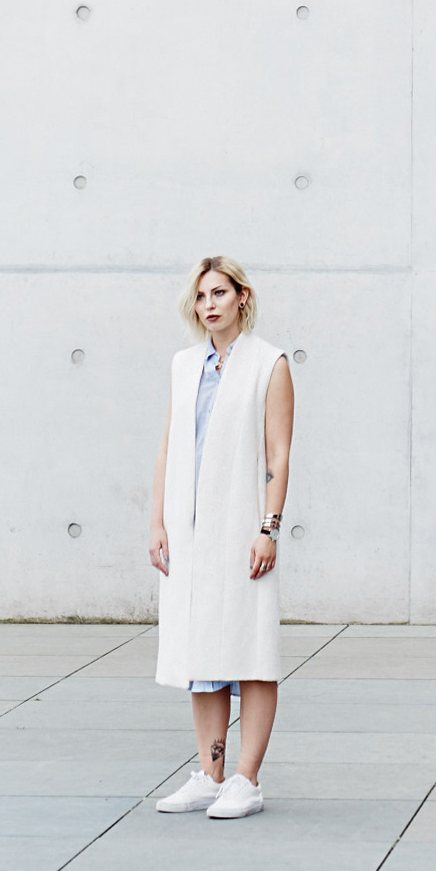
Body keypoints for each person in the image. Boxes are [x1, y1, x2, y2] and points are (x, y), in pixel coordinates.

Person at [148, 255, 294, 820]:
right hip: (187, 531)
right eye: (201, 296)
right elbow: (168, 444)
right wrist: (157, 520)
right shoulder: (185, 365)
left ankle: (245, 779)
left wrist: (269, 528)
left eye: (218, 293)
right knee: (199, 648)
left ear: (241, 296)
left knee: (251, 649)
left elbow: (278, 454)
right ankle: (209, 773)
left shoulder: (268, 363)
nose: (208, 304)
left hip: (241, 530)